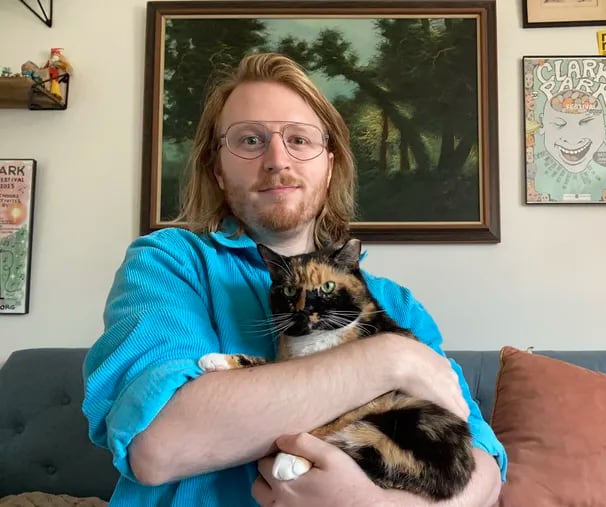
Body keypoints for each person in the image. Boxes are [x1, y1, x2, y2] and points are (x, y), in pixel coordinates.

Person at [82, 52, 507, 507]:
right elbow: (159, 446)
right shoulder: (169, 263)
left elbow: (482, 464)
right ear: (217, 171)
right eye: (249, 140)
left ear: (329, 165)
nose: (276, 159)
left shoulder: (396, 304)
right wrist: (392, 359)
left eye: (299, 140)